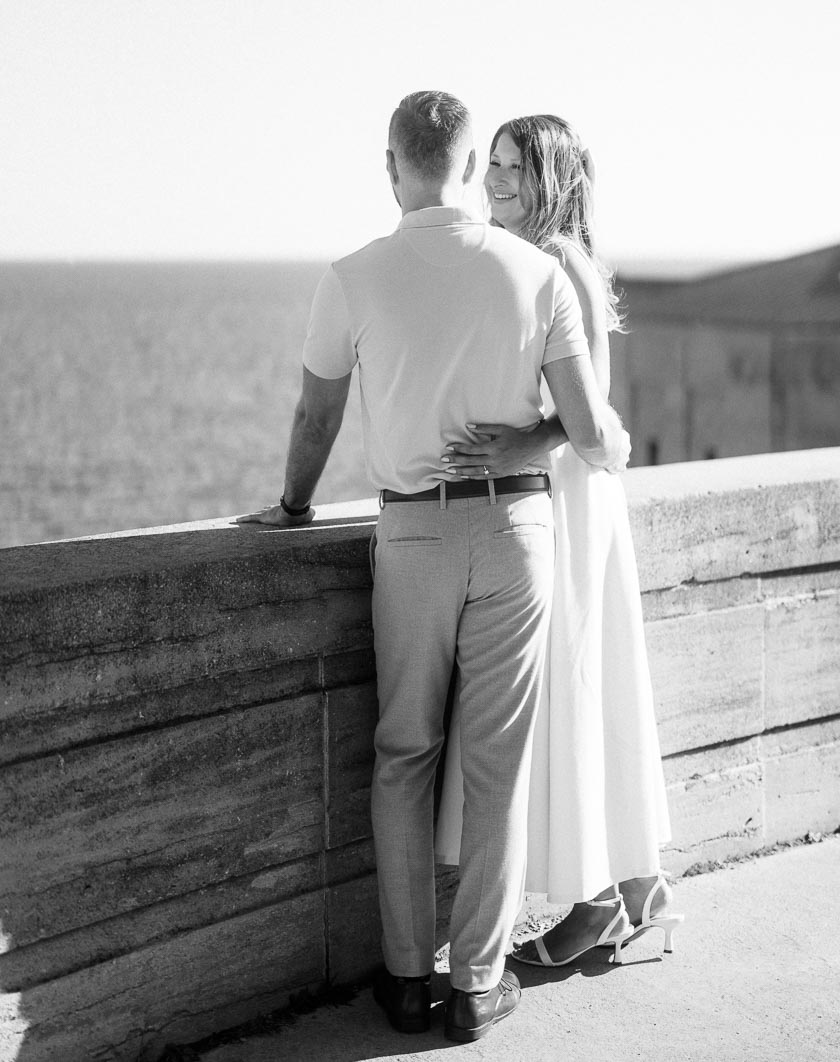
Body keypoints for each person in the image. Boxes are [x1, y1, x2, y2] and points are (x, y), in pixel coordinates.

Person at [238, 92, 629, 1042]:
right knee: (496, 762)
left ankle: (409, 979)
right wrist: (517, 443)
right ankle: (479, 986)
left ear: (391, 165)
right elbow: (586, 432)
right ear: (463, 165)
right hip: (516, 536)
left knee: (405, 753)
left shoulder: (352, 275)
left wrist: (292, 506)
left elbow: (316, 420)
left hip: (410, 537)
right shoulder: (536, 271)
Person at [434, 114, 681, 967]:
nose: (493, 180)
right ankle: (639, 891)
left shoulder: (558, 261)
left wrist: (517, 444)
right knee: (590, 682)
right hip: (575, 500)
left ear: (549, 177)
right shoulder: (539, 259)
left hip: (570, 505)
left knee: (573, 687)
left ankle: (595, 903)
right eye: (490, 164)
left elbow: (594, 413)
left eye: (512, 166)